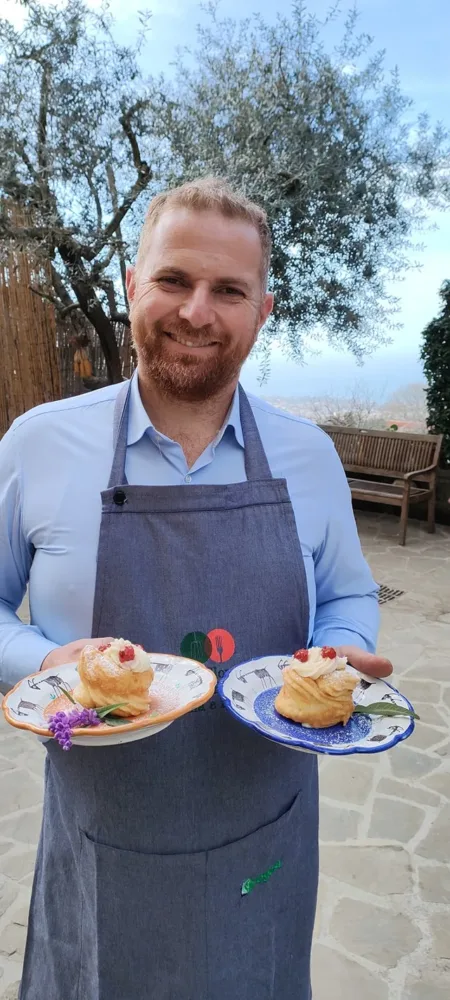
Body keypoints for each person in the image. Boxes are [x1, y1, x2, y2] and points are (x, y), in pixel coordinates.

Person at [0, 177, 392, 1000]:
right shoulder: (39, 446)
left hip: (266, 840)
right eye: (174, 280)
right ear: (132, 286)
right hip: (101, 850)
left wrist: (344, 655)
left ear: (263, 312)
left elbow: (350, 595)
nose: (196, 311)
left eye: (229, 290)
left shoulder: (309, 456)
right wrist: (45, 660)